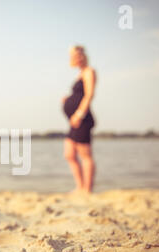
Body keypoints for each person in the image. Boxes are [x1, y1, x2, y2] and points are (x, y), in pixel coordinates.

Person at [62, 45, 97, 194]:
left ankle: (87, 190)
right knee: (69, 154)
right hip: (74, 121)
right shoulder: (79, 74)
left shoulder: (89, 71)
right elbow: (78, 95)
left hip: (82, 119)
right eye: (71, 56)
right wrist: (68, 99)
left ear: (81, 56)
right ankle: (80, 186)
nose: (72, 59)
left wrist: (79, 114)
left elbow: (89, 94)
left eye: (74, 56)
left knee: (85, 156)